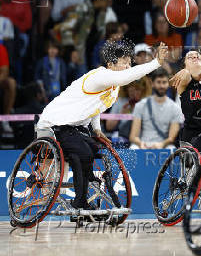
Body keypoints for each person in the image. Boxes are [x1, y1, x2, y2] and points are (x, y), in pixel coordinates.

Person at [36, 41, 168, 209]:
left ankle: (83, 195)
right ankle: (80, 201)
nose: (128, 66)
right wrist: (156, 63)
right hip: (55, 124)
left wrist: (97, 129)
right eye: (124, 62)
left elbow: (96, 106)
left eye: (130, 62)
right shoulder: (100, 75)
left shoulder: (113, 87)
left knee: (92, 150)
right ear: (110, 64)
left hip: (75, 128)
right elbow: (127, 77)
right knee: (83, 153)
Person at [129, 68, 183, 149]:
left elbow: (171, 138)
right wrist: (141, 144)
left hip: (164, 145)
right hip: (143, 144)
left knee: (171, 148)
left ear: (168, 84)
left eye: (164, 82)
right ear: (152, 84)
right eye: (158, 82)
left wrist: (161, 144)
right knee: (133, 148)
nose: (161, 86)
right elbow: (133, 136)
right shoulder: (140, 105)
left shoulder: (175, 108)